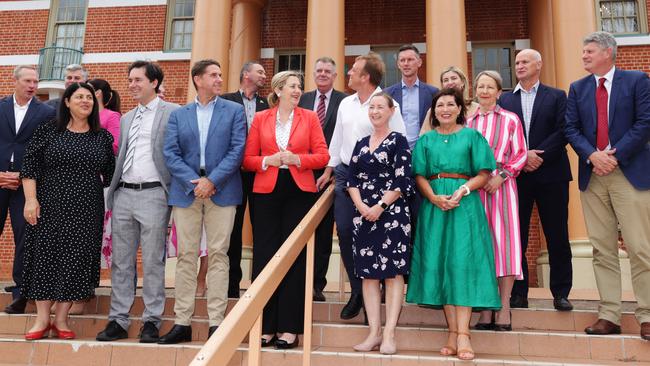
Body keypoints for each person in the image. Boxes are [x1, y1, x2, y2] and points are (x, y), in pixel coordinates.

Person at [564, 31, 650, 341]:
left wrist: (614, 154)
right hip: (593, 174)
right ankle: (609, 314)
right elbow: (570, 129)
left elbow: (645, 123)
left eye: (589, 51)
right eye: (583, 51)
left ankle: (647, 315)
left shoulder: (637, 81)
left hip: (629, 172)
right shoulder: (577, 88)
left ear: (607, 53)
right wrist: (592, 155)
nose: (584, 55)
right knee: (602, 249)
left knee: (641, 247)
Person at [406, 88, 500, 361]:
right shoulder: (426, 141)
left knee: (462, 264)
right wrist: (433, 197)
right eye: (439, 106)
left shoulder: (472, 136)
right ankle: (451, 332)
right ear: (433, 112)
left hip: (464, 207)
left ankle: (464, 335)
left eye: (450, 104)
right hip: (435, 207)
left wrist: (463, 191)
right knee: (440, 266)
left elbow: (484, 172)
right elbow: (419, 175)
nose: (445, 109)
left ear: (460, 108)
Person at [21, 82, 115, 340]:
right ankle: (42, 319)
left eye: (89, 98)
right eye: (79, 97)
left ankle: (61, 319)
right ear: (66, 102)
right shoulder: (48, 131)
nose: (85, 101)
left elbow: (109, 175)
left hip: (87, 209)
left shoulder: (102, 137)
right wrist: (31, 200)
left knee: (75, 259)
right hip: (49, 205)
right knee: (45, 256)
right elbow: (29, 167)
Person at [161, 59, 246, 344]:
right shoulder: (179, 114)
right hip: (187, 191)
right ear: (198, 79)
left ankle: (216, 323)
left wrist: (212, 181)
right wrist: (194, 182)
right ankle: (182, 322)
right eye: (213, 75)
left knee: (219, 255)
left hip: (222, 189)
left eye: (221, 74)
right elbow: (170, 153)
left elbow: (237, 150)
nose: (219, 79)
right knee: (186, 257)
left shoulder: (234, 111)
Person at [242, 70, 329, 349]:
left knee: (294, 257)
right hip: (265, 194)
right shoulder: (260, 118)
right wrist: (269, 160)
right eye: (292, 86)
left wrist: (296, 159)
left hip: (299, 193)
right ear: (278, 90)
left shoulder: (311, 117)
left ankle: (290, 328)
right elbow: (248, 160)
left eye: (299, 87)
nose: (297, 90)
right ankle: (265, 326)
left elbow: (323, 156)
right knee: (265, 256)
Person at [317, 52, 406, 320]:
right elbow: (337, 140)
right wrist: (329, 169)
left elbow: (398, 140)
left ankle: (374, 302)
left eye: (353, 70)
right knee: (345, 230)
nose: (349, 74)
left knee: (376, 237)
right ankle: (358, 290)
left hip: (380, 179)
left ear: (366, 76)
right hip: (347, 176)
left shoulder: (389, 104)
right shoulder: (345, 103)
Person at [96, 61, 179, 343]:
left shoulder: (174, 113)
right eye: (129, 80)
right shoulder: (127, 117)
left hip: (155, 194)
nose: (131, 84)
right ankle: (118, 320)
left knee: (154, 261)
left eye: (137, 79)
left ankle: (151, 321)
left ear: (154, 82)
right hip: (123, 194)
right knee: (121, 261)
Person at [498, 49, 574, 311]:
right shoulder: (505, 100)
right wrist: (523, 156)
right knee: (516, 235)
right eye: (516, 62)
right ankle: (519, 293)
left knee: (557, 235)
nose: (519, 65)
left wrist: (536, 155)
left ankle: (561, 292)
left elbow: (565, 130)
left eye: (524, 61)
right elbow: (502, 136)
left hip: (551, 173)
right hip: (516, 178)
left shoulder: (556, 96)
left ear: (538, 65)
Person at [347, 93, 412, 355]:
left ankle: (389, 334)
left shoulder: (399, 141)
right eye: (371, 107)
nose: (374, 112)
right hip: (363, 215)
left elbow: (402, 180)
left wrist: (380, 206)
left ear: (391, 111)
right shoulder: (361, 143)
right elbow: (351, 180)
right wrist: (362, 206)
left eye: (380, 107)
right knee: (368, 275)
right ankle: (373, 333)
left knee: (392, 273)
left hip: (392, 214)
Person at [467, 70, 527, 332]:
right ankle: (486, 309)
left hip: (502, 188)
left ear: (499, 92)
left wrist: (501, 176)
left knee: (505, 246)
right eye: (480, 86)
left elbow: (521, 154)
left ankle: (503, 308)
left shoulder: (511, 119)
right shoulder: (469, 122)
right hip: (476, 189)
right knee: (482, 247)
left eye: (489, 86)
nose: (484, 91)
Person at [0, 65, 56, 314]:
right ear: (15, 81)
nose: (32, 86)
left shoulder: (46, 113)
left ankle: (20, 293)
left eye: (35, 81)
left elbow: (47, 150)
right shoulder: (0, 107)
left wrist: (23, 175)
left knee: (25, 237)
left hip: (27, 185)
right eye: (27, 81)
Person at [298, 56, 347, 302]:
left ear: (335, 75)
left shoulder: (345, 101)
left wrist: (333, 170)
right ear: (313, 73)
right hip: (300, 174)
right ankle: (298, 281)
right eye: (319, 70)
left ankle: (317, 284)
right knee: (298, 229)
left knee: (324, 233)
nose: (323, 74)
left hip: (330, 177)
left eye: (328, 70)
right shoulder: (303, 99)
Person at [221, 61, 269, 298]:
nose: (264, 75)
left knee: (262, 227)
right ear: (245, 75)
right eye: (259, 71)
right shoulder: (226, 100)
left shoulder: (267, 104)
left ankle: (260, 284)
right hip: (232, 174)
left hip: (260, 172)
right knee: (233, 229)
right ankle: (231, 286)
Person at [384, 44, 438, 149]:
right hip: (395, 150)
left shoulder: (433, 92)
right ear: (398, 64)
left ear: (419, 62)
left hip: (424, 149)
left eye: (410, 59)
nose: (406, 64)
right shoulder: (387, 94)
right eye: (402, 60)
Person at [420, 66, 478, 135]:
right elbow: (423, 136)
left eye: (454, 78)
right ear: (442, 85)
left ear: (462, 82)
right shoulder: (434, 110)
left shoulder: (476, 108)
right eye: (446, 80)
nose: (450, 82)